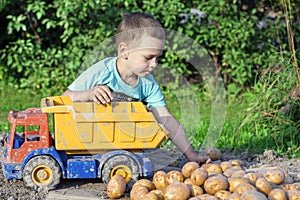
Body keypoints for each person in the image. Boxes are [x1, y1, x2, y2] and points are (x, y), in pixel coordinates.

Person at [62, 12, 210, 164]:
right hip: (92, 140)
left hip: (126, 144)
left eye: (157, 58)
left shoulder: (148, 84)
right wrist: (88, 94)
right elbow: (64, 97)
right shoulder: (101, 72)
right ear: (124, 51)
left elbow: (166, 119)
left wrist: (191, 154)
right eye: (148, 57)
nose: (154, 64)